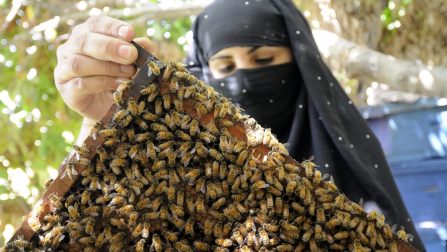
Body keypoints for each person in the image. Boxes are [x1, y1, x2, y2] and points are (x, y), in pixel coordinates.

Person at [54, 0, 425, 250]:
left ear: (302, 67)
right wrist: (103, 126)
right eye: (226, 68)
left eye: (264, 58)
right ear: (205, 73)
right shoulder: (182, 169)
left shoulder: (356, 169)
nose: (244, 81)